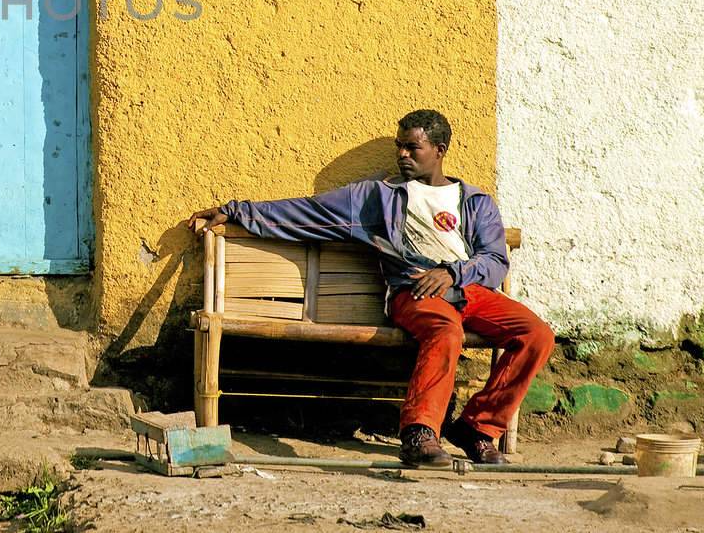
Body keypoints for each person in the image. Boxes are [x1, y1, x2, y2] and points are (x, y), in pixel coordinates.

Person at [184, 109, 554, 467]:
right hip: (415, 290)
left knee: (537, 334)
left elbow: (494, 259)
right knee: (446, 331)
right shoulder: (378, 197)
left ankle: (477, 429)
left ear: (440, 151)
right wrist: (236, 211)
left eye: (413, 147)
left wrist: (455, 273)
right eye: (399, 146)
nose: (402, 155)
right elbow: (306, 213)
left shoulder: (474, 201)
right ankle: (419, 435)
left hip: (466, 287)